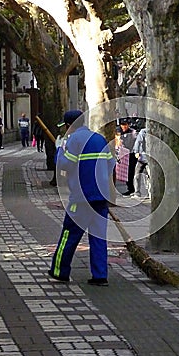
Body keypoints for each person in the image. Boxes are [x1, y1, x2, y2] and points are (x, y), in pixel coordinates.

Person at [48, 109, 115, 286]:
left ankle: (59, 271)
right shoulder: (99, 139)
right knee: (99, 237)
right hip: (100, 198)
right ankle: (100, 276)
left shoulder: (73, 140)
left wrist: (59, 149)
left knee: (69, 235)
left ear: (69, 126)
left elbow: (64, 166)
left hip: (81, 198)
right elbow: (110, 165)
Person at [118, 118, 137, 196]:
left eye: (125, 125)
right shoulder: (119, 132)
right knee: (124, 172)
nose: (124, 127)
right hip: (123, 154)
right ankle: (129, 188)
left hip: (132, 154)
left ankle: (132, 189)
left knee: (131, 171)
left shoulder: (132, 132)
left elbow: (135, 142)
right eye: (122, 125)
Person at [131, 127, 150, 199]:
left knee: (137, 175)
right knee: (149, 175)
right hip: (147, 157)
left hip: (142, 157)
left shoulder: (143, 131)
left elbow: (138, 142)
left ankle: (137, 192)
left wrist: (136, 152)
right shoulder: (145, 131)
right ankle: (150, 192)